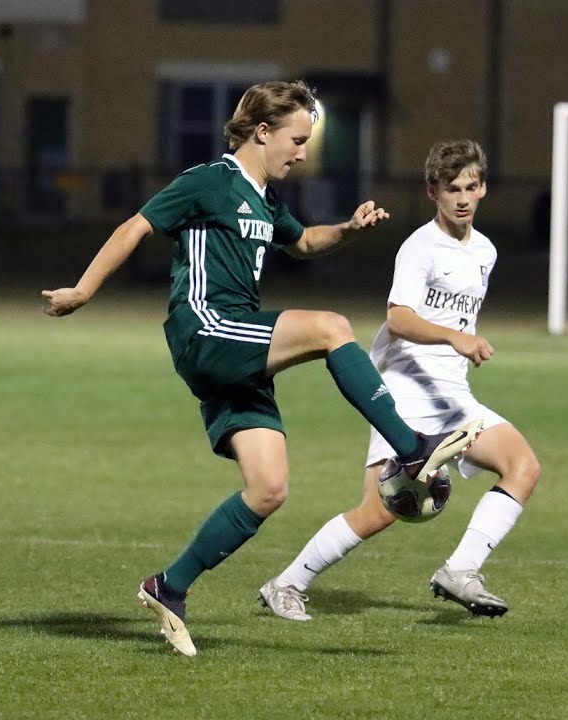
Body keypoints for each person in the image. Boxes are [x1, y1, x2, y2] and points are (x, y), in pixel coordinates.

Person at [40, 81, 483, 656]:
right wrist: (83, 290)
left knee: (268, 488)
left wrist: (348, 230)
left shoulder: (266, 197)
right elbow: (136, 227)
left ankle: (168, 587)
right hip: (207, 329)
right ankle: (411, 446)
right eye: (297, 140)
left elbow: (301, 244)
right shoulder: (210, 181)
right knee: (332, 327)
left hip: (237, 350)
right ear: (262, 131)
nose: (302, 152)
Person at [257, 139, 541, 621]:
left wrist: (457, 343)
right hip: (406, 391)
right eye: (452, 188)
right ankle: (287, 583)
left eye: (471, 187)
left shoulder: (485, 251)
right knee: (380, 510)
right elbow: (400, 319)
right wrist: (456, 338)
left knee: (524, 467)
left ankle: (461, 570)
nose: (463, 198)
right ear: (433, 191)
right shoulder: (419, 248)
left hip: (453, 395)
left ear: (484, 187)